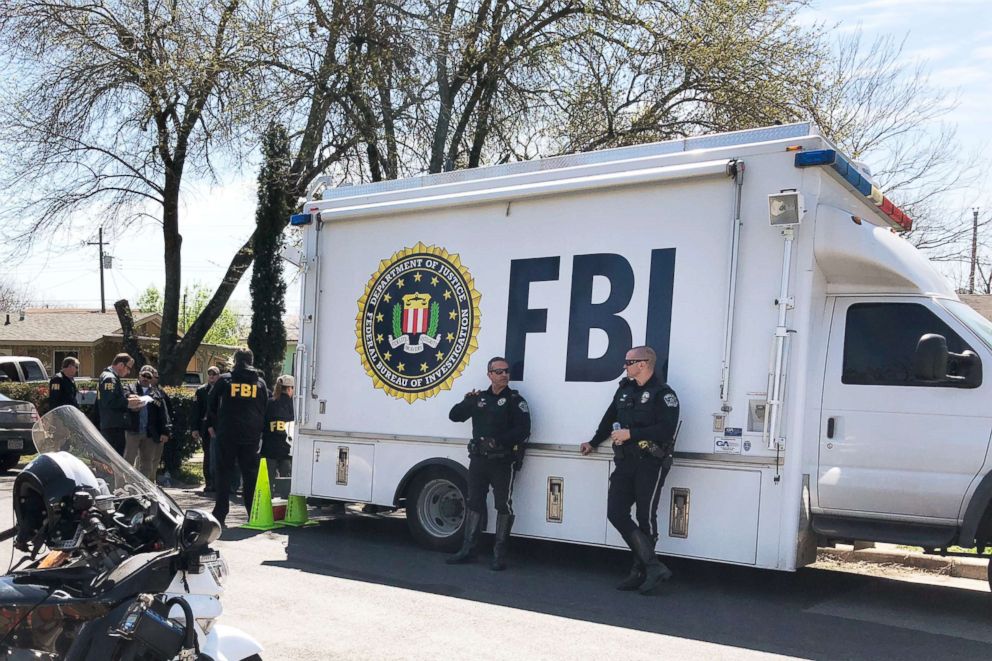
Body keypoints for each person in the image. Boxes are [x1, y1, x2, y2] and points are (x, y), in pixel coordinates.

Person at [581, 346, 680, 595]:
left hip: (650, 462)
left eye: (629, 361)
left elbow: (666, 429)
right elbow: (609, 417)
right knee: (616, 512)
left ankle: (640, 572)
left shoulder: (663, 394)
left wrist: (632, 434)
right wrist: (593, 442)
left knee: (646, 517)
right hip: (625, 461)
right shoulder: (624, 390)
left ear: (644, 364)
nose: (625, 366)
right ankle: (653, 566)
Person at [446, 356, 530, 570]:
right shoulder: (479, 398)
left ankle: (499, 553)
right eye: (499, 371)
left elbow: (523, 430)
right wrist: (467, 401)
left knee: (503, 504)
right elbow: (454, 416)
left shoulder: (514, 400)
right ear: (489, 374)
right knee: (474, 501)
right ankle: (468, 549)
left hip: (502, 461)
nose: (504, 375)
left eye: (506, 371)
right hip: (478, 460)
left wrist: (498, 441)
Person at [208, 349, 268, 527]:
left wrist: (216, 424)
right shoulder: (260, 383)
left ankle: (220, 514)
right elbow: (265, 407)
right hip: (250, 436)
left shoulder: (225, 380)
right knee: (250, 476)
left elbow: (210, 404)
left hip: (227, 434)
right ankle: (252, 513)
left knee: (224, 473)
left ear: (235, 360)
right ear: (252, 360)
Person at [124, 366, 172, 481]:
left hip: (149, 433)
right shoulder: (130, 388)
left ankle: (144, 489)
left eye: (148, 376)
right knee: (127, 461)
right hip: (133, 431)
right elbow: (123, 399)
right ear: (139, 375)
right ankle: (125, 487)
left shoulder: (157, 393)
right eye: (143, 375)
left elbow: (163, 414)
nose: (145, 378)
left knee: (147, 463)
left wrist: (165, 431)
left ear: (152, 379)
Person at [262, 374, 295, 492]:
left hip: (269, 448)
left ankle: (268, 505)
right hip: (287, 450)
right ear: (290, 388)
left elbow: (263, 423)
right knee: (286, 482)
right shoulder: (293, 405)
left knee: (268, 482)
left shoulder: (269, 402)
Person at [97, 353, 133, 455]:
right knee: (114, 458)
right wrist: (128, 402)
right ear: (121, 365)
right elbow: (109, 401)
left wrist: (127, 398)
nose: (129, 372)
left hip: (111, 424)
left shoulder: (110, 376)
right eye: (128, 368)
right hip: (112, 426)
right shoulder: (109, 378)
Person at [193, 366, 221, 493]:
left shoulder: (222, 390)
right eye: (209, 374)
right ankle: (209, 482)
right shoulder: (201, 391)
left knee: (220, 456)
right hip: (206, 428)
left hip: (220, 427)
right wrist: (194, 428)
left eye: (214, 374)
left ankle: (218, 482)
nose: (211, 377)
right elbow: (196, 411)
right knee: (208, 455)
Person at [149, 368, 178, 485]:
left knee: (154, 460)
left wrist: (165, 431)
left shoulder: (160, 393)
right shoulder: (134, 390)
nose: (150, 379)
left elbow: (167, 414)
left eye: (154, 377)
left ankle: (151, 482)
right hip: (139, 432)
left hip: (156, 433)